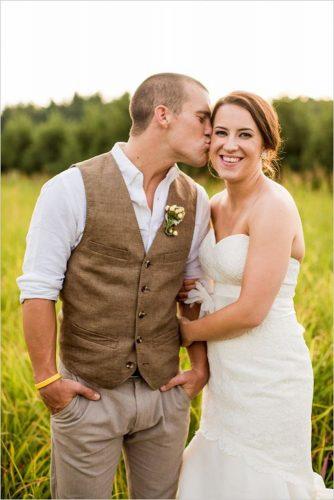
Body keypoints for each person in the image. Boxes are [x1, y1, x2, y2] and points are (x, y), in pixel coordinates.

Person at [17, 73, 213, 499]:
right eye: (202, 118)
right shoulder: (69, 189)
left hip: (165, 396)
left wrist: (198, 368)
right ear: (163, 115)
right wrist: (47, 381)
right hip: (89, 395)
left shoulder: (195, 197)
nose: (211, 131)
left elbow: (193, 291)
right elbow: (38, 290)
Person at [175, 92, 332, 500]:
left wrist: (183, 332)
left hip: (269, 372)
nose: (230, 144)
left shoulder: (274, 206)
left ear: (265, 145)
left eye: (245, 134)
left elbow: (251, 311)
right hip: (227, 372)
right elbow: (198, 281)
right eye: (221, 132)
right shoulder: (211, 205)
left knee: (262, 479)